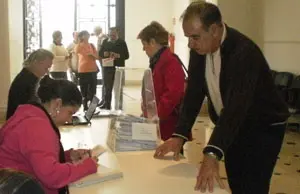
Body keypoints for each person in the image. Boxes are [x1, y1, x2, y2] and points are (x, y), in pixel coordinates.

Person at [154, 1, 290, 193]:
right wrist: (180, 134)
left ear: (215, 30)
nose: (190, 44)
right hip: (232, 123)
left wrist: (211, 152)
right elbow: (193, 92)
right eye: (188, 37)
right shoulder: (200, 48)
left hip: (263, 126)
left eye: (195, 37)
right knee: (236, 179)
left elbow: (237, 106)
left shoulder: (243, 52)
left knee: (252, 184)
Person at [0, 76, 98, 194]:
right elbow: (52, 176)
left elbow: (35, 157)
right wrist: (88, 166)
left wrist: (67, 156)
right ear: (57, 104)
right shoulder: (36, 126)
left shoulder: (29, 114)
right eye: (70, 113)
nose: (69, 119)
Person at [137, 21, 186, 141]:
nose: (143, 49)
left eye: (144, 44)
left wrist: (155, 117)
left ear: (153, 42)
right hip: (157, 124)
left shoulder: (170, 62)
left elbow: (172, 95)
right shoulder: (158, 61)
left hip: (168, 127)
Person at [6, 49, 54, 120]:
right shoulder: (25, 80)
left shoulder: (30, 77)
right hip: (20, 123)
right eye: (46, 68)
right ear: (36, 63)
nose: (47, 72)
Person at [99, 27, 129, 110]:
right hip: (107, 68)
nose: (111, 36)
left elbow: (126, 56)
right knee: (107, 88)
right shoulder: (105, 41)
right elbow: (100, 53)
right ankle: (107, 105)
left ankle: (119, 106)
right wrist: (104, 53)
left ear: (117, 33)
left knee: (118, 88)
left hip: (118, 68)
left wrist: (117, 55)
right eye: (110, 34)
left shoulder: (122, 42)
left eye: (113, 34)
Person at [75, 30, 99, 110]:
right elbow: (76, 51)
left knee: (93, 88)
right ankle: (85, 105)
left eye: (88, 34)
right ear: (82, 37)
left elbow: (97, 56)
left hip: (93, 69)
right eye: (85, 35)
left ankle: (92, 107)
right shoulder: (79, 45)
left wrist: (92, 55)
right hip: (83, 69)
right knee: (84, 88)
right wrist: (78, 41)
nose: (87, 36)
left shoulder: (92, 45)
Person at [93, 26, 108, 106]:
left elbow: (102, 49)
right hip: (102, 60)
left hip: (104, 61)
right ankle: (103, 100)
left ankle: (104, 100)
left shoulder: (102, 37)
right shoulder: (101, 37)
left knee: (105, 81)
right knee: (104, 81)